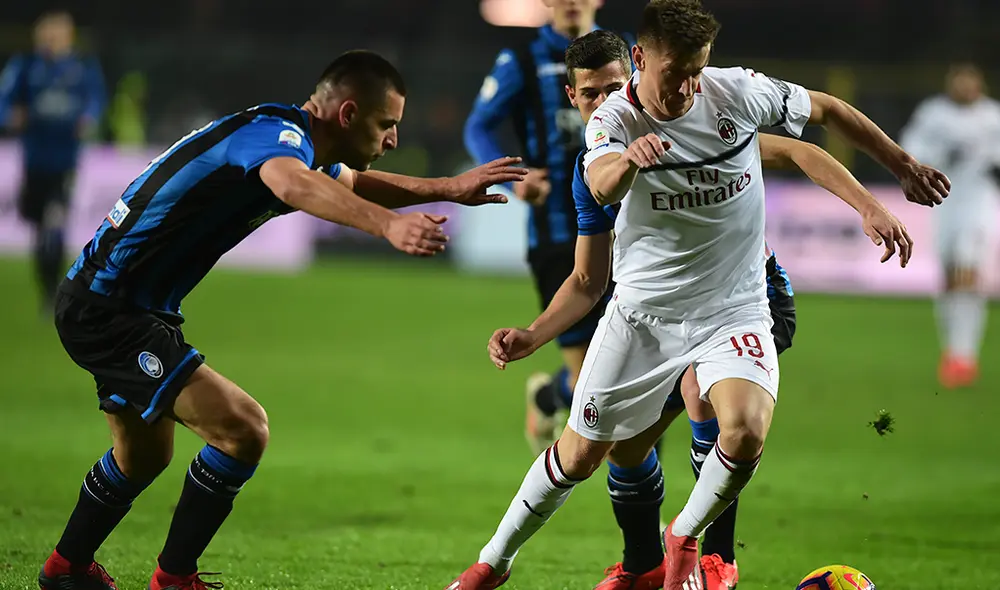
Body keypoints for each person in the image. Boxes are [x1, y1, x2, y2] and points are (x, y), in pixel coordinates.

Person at [446, 1, 948, 589]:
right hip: (642, 320)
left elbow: (827, 113)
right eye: (674, 72)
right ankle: (495, 563)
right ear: (640, 60)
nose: (687, 87)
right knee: (589, 454)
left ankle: (693, 541)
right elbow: (595, 231)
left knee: (740, 424)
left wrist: (898, 172)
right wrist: (533, 333)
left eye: (696, 71)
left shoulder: (733, 94)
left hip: (735, 306)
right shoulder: (611, 125)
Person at [38, 50, 526, 590]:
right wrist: (388, 227)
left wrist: (446, 188)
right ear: (347, 114)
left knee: (144, 455)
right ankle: (174, 579)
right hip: (109, 311)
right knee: (243, 430)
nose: (391, 140)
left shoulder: (292, 140)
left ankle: (67, 570)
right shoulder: (276, 137)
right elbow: (294, 185)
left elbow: (351, 182)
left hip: (125, 306)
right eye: (386, 125)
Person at [464, 0, 618, 454]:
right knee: (598, 379)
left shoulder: (624, 54)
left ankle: (552, 395)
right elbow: (478, 128)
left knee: (632, 377)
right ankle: (557, 400)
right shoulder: (523, 60)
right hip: (557, 236)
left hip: (628, 236)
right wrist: (518, 177)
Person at [900, 63, 1000, 389]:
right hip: (944, 203)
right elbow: (910, 148)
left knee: (968, 271)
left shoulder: (992, 116)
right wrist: (939, 155)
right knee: (947, 276)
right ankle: (951, 351)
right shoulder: (934, 114)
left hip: (979, 201)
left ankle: (965, 354)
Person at [0, 11, 106, 314]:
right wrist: (10, 116)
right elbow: (4, 101)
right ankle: (47, 286)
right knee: (38, 227)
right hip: (35, 161)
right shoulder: (25, 67)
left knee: (54, 224)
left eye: (56, 35)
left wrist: (89, 118)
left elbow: (96, 100)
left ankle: (55, 291)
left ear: (67, 37)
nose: (50, 41)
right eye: (46, 35)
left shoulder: (82, 68)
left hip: (64, 163)